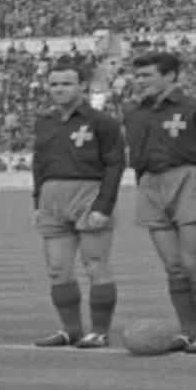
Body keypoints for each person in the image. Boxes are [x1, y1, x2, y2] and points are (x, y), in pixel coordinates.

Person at [124, 52, 196, 354]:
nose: (139, 81)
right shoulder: (134, 112)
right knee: (173, 266)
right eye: (138, 75)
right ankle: (188, 332)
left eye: (147, 75)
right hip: (150, 184)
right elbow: (137, 157)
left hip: (191, 181)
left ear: (170, 76)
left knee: (193, 263)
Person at [31, 64, 125, 348]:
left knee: (95, 264)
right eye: (54, 84)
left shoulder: (102, 122)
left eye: (66, 84)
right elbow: (39, 161)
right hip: (51, 196)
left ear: (82, 86)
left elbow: (115, 163)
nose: (59, 89)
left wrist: (104, 205)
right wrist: (38, 200)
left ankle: (99, 331)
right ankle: (70, 330)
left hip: (88, 192)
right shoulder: (44, 121)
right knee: (58, 270)